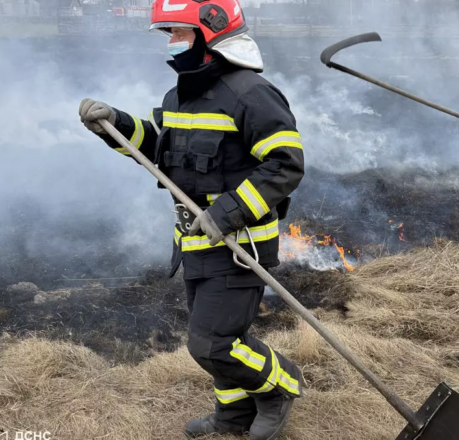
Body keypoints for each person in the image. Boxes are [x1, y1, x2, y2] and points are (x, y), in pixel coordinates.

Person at [78, 0, 305, 438]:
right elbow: (161, 152)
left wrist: (228, 212)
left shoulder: (251, 94)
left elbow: (284, 164)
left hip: (239, 247)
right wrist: (116, 125)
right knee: (215, 340)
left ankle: (280, 385)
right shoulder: (180, 93)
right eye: (168, 33)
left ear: (211, 31)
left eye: (179, 32)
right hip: (194, 244)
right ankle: (233, 416)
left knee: (212, 343)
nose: (172, 42)